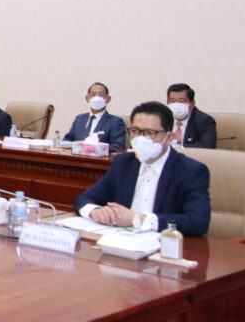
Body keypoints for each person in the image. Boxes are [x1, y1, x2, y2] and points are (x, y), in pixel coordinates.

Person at [74, 101, 210, 236]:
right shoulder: (123, 162)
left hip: (162, 243)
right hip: (121, 240)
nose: (141, 139)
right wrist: (96, 211)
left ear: (169, 137)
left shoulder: (191, 170)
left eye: (150, 133)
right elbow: (84, 199)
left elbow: (198, 222)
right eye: (135, 131)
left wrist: (138, 219)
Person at [63, 82, 127, 150]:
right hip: (76, 156)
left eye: (101, 94)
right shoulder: (79, 119)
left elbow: (118, 146)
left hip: (101, 156)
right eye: (93, 95)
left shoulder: (116, 122)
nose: (97, 97)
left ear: (108, 99)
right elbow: (67, 141)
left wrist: (95, 149)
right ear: (87, 98)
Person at [167, 83, 216, 149]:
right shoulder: (162, 119)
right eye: (172, 101)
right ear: (167, 103)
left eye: (182, 101)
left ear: (192, 104)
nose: (177, 105)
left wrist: (180, 148)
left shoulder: (205, 121)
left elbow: (207, 146)